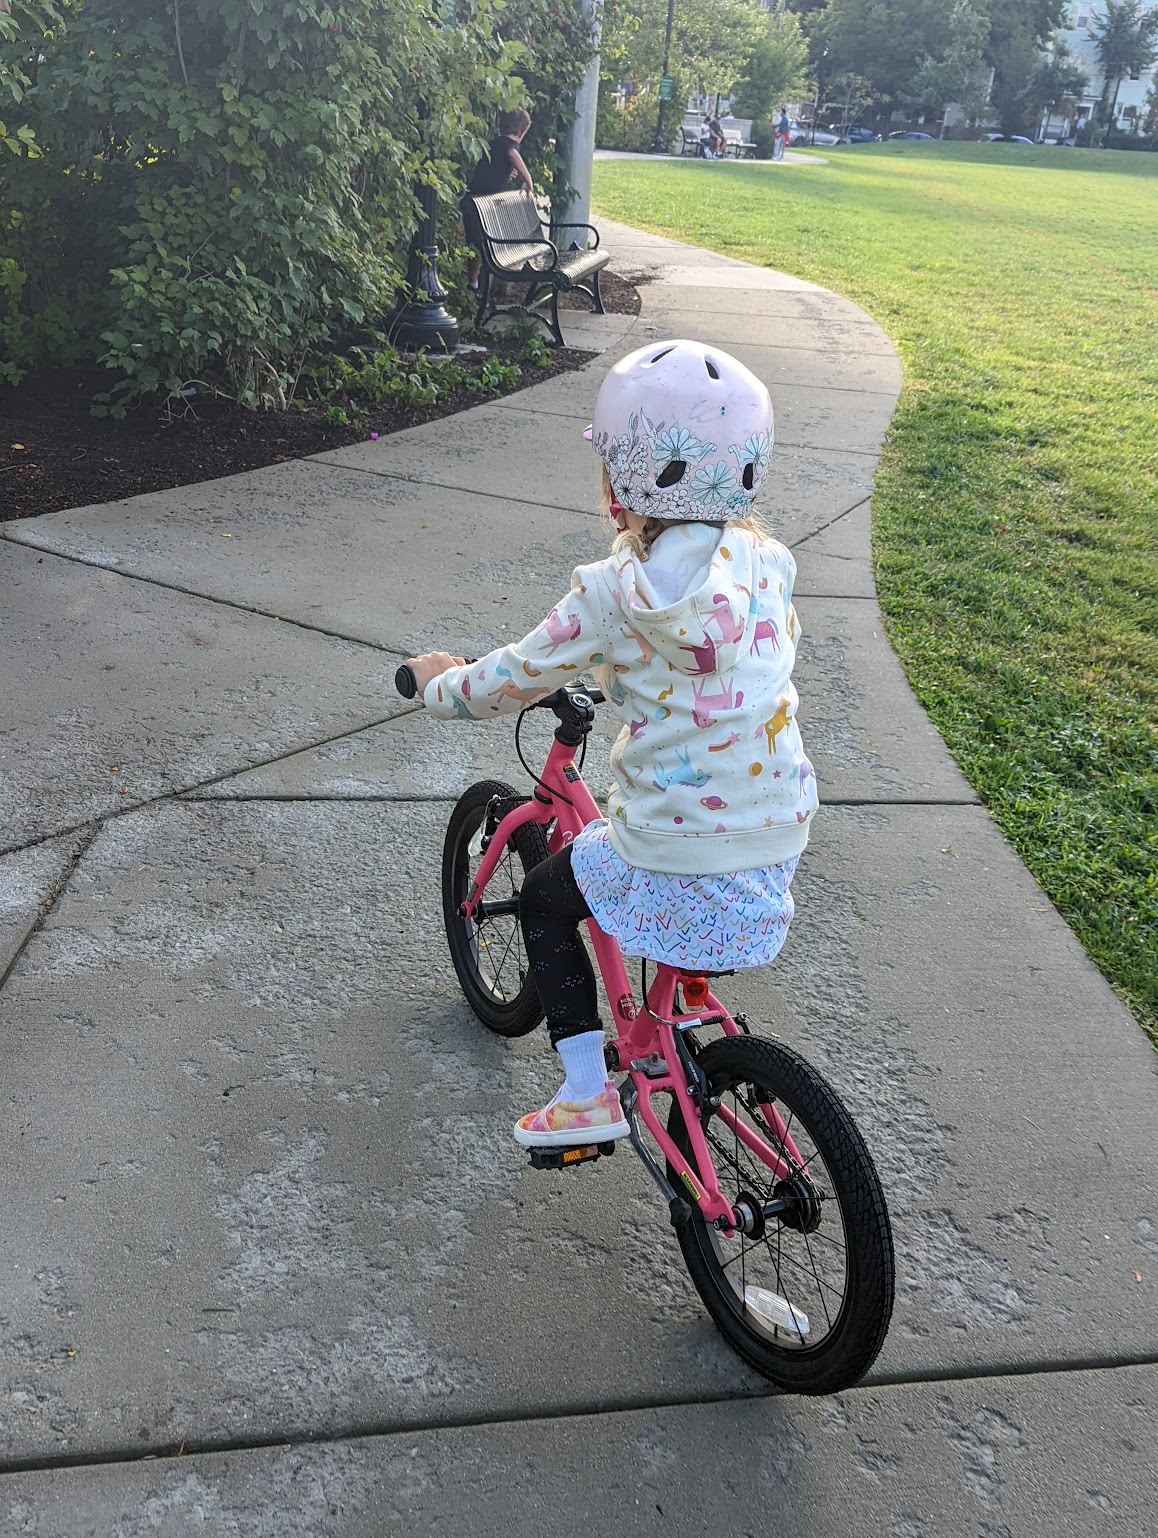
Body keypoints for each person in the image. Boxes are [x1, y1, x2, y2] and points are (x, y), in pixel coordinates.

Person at [405, 341, 818, 1148]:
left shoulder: (611, 593)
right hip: (780, 826)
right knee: (685, 861)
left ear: (618, 479)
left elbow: (512, 677)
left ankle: (587, 1093)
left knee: (545, 899)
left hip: (676, 840)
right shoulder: (769, 562)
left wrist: (437, 684)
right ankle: (688, 979)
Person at [463, 108, 535, 293]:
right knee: (479, 245)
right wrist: (528, 179)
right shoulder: (509, 144)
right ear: (523, 131)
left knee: (476, 245)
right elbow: (512, 154)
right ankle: (476, 286)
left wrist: (506, 175)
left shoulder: (497, 143)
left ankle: (474, 284)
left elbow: (495, 168)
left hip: (475, 200)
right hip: (477, 203)